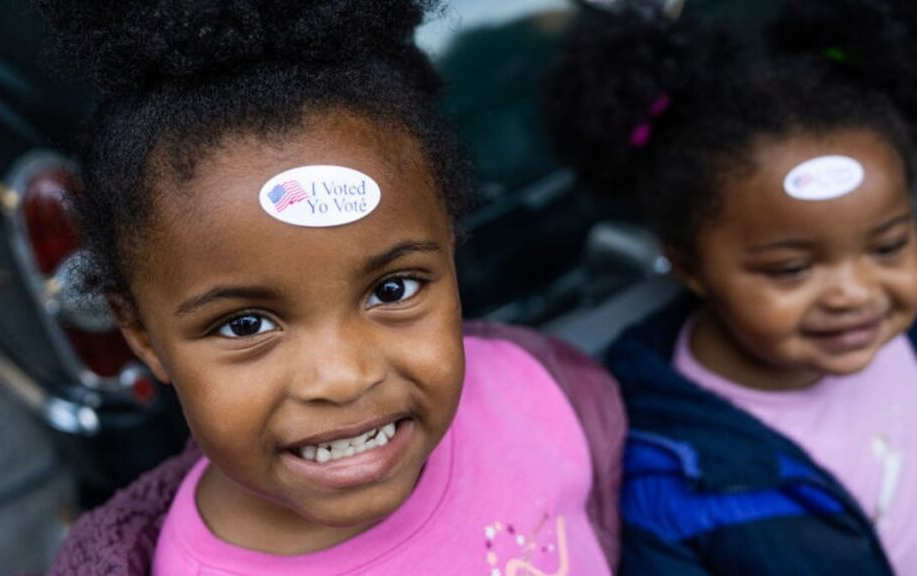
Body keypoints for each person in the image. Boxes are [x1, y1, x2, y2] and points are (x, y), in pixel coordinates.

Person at [37, 0, 625, 573]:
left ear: (450, 247)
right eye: (246, 325)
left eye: (393, 290)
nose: (343, 378)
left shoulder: (538, 392)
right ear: (142, 335)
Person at [545, 0, 917, 574]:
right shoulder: (667, 477)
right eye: (792, 269)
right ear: (690, 265)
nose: (856, 291)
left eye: (888, 246)